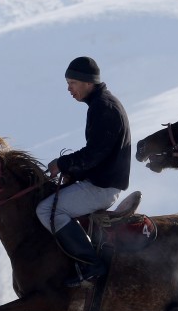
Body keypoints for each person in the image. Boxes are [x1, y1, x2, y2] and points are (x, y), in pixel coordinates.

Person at [36, 56, 131, 287]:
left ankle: (91, 264)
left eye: (72, 83)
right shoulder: (101, 105)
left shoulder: (104, 108)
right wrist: (72, 172)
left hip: (102, 188)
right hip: (99, 182)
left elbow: (95, 153)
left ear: (88, 82)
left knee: (47, 210)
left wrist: (63, 164)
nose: (69, 89)